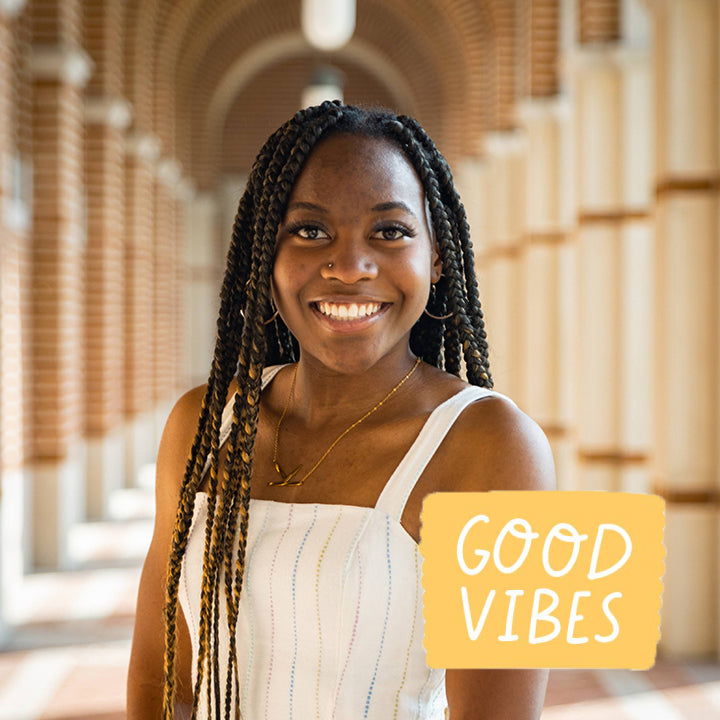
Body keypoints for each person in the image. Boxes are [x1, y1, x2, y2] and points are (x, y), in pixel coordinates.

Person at [127, 101, 555, 720]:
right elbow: (162, 682)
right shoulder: (202, 424)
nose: (349, 265)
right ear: (265, 257)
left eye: (389, 231)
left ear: (437, 256)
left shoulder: (498, 445)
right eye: (310, 231)